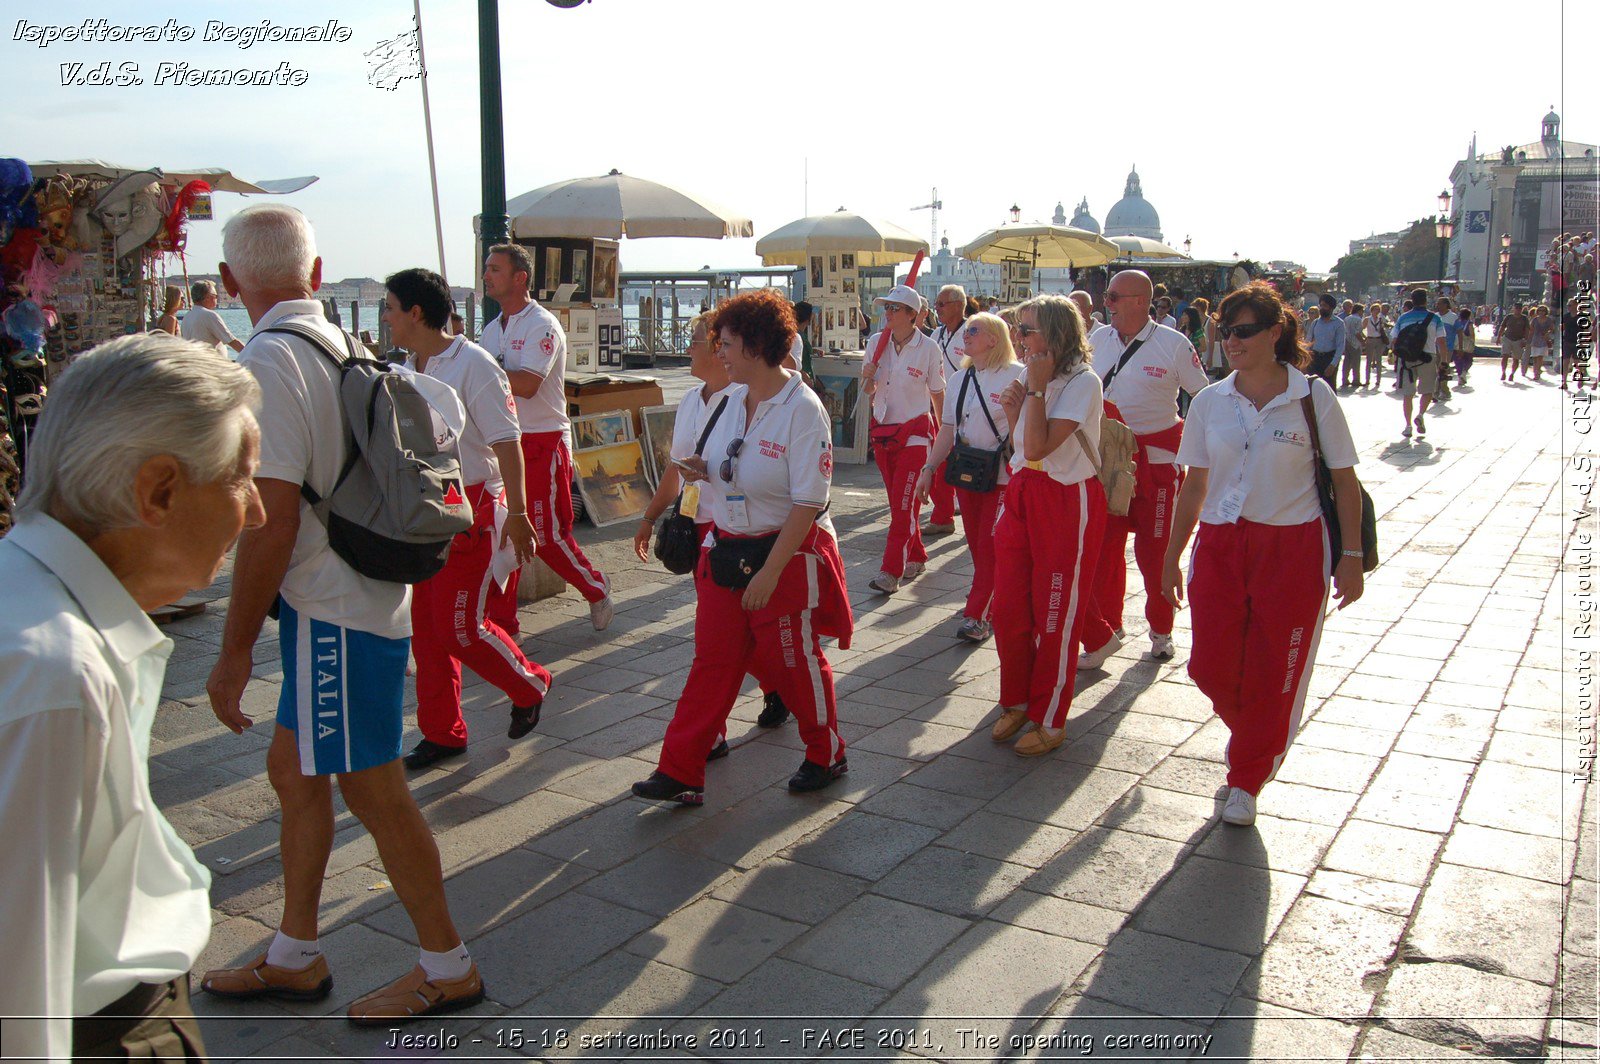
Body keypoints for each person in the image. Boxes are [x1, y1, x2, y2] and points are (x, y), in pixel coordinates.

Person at [199, 205, 482, 1024]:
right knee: (296, 773)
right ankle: (295, 952)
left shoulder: (267, 360)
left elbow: (272, 519)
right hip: (356, 595)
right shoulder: (342, 343)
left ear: (229, 285)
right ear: (317, 277)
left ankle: (447, 964)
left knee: (374, 787)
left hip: (332, 612)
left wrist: (232, 653)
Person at [0, 335, 262, 1062]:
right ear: (160, 492)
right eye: (242, 481)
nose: (257, 514)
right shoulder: (56, 674)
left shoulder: (34, 615)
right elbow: (17, 988)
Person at [631, 290, 851, 803]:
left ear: (754, 345)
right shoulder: (729, 399)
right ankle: (681, 769)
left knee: (793, 662)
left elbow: (807, 505)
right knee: (713, 660)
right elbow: (721, 465)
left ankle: (827, 750)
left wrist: (771, 574)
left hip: (783, 554)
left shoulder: (803, 410)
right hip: (724, 549)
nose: (719, 353)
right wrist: (699, 475)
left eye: (725, 343)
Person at [1160, 281, 1364, 827]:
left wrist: (1351, 554)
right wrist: (1170, 555)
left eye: (1245, 331)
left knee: (1279, 670)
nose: (1232, 341)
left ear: (1277, 332)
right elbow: (1194, 485)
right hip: (1223, 541)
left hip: (1293, 546)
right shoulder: (1208, 401)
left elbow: (1344, 481)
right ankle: (1255, 732)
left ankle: (1245, 779)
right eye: (1225, 331)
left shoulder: (1312, 397)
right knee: (1209, 665)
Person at [380, 268, 551, 770]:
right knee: (427, 632)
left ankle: (529, 683)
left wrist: (517, 514)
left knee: (460, 627)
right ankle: (443, 732)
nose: (385, 317)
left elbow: (507, 441)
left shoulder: (474, 365)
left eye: (390, 307)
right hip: (422, 508)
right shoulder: (405, 367)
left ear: (415, 313)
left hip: (470, 506)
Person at [632, 314, 791, 736]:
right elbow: (676, 467)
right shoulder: (689, 399)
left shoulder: (748, 400)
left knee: (720, 636)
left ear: (726, 347)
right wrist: (650, 516)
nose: (690, 348)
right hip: (695, 520)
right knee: (724, 630)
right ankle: (774, 688)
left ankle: (714, 730)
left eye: (699, 340)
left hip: (729, 528)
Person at [987, 294, 1106, 756]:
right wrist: (1021, 406)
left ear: (1057, 332)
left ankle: (1050, 716)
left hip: (1064, 498)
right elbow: (1022, 444)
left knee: (1055, 612)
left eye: (1029, 328)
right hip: (1022, 490)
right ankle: (1015, 700)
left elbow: (1038, 448)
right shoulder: (1031, 371)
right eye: (1019, 327)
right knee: (1010, 607)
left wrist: (1034, 392)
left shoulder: (1083, 382)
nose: (1019, 336)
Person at [1077, 269, 1209, 668]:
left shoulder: (1173, 344)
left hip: (1156, 464)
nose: (1107, 303)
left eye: (1114, 297)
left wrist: (1208, 453)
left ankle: (1161, 630)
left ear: (1139, 300)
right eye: (1108, 298)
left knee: (1155, 552)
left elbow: (1203, 397)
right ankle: (1108, 632)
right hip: (1108, 462)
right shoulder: (1097, 340)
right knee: (1104, 550)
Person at [479, 244, 614, 633]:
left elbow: (527, 385)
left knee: (547, 535)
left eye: (495, 269)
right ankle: (503, 623)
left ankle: (596, 587)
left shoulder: (542, 325)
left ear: (520, 278)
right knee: (504, 535)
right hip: (504, 442)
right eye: (486, 269)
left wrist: (482, 376)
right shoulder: (491, 331)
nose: (486, 275)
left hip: (542, 441)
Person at [914, 312, 1027, 644]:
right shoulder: (962, 378)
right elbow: (947, 429)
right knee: (979, 546)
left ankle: (978, 615)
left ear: (993, 338)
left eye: (972, 331)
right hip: (969, 473)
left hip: (1003, 476)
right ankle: (991, 601)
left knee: (990, 546)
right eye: (965, 331)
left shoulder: (1018, 375)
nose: (965, 336)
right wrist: (929, 469)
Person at [861, 283, 945, 594]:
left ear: (912, 315)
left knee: (903, 505)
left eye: (895, 308)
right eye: (886, 307)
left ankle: (890, 570)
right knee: (901, 504)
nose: (888, 313)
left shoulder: (928, 348)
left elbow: (937, 393)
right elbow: (870, 392)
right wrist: (868, 377)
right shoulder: (875, 343)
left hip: (915, 434)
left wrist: (945, 435)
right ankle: (918, 555)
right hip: (883, 432)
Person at [925, 284, 970, 536]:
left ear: (958, 305)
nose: (937, 309)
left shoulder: (972, 331)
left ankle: (956, 510)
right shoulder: (936, 335)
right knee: (937, 463)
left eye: (942, 304)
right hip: (938, 407)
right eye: (937, 303)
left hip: (966, 410)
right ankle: (942, 514)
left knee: (961, 465)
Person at [1391, 288, 1445, 439]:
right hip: (1428, 357)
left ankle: (1408, 426)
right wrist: (1444, 361)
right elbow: (1441, 341)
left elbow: (1394, 340)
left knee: (1408, 394)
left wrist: (1395, 358)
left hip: (1406, 358)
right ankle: (1420, 414)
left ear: (1412, 300)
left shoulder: (1403, 318)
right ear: (1426, 300)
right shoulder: (1435, 318)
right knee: (1427, 391)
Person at [180, 280, 245, 354]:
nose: (217, 298)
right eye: (215, 296)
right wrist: (252, 354)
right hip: (211, 363)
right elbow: (232, 341)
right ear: (207, 297)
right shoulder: (209, 315)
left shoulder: (187, 317)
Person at [1304, 294, 1344, 386]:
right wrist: (1305, 360)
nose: (1322, 308)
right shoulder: (1315, 322)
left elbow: (1340, 346)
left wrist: (1333, 365)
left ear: (1331, 308)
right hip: (1315, 359)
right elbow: (1308, 341)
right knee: (1312, 387)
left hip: (1329, 359)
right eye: (1321, 305)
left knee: (1329, 387)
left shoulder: (1339, 323)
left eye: (1325, 306)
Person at [1361, 302, 1389, 388]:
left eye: (1378, 310)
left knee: (1379, 360)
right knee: (1369, 361)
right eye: (1375, 309)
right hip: (1370, 339)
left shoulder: (1380, 319)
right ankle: (1367, 380)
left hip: (1379, 340)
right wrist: (1365, 338)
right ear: (1371, 310)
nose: (1377, 311)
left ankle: (1378, 381)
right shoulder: (1367, 319)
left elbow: (1383, 328)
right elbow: (1361, 329)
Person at [1500, 302, 1529, 382]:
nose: (1518, 310)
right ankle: (1503, 372)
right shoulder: (1509, 317)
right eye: (1516, 308)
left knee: (1516, 359)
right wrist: (1499, 337)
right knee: (1505, 356)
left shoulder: (1524, 318)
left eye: (1519, 309)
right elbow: (1502, 327)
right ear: (1513, 309)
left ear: (1522, 309)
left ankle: (1512, 373)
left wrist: (1525, 340)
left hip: (1518, 340)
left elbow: (1527, 330)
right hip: (1507, 338)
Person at [1340, 302, 1365, 389]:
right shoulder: (1358, 319)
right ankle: (1356, 380)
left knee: (1347, 361)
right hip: (1355, 343)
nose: (1363, 312)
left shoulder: (1347, 318)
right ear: (1359, 311)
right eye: (1362, 311)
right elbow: (1357, 333)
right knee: (1356, 362)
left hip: (1347, 341)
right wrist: (1363, 341)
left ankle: (1345, 379)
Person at [1528, 304, 1554, 380]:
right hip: (1535, 339)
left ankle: (1537, 373)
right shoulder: (1534, 320)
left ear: (1546, 312)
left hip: (1543, 339)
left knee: (1540, 357)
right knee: (1535, 357)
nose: (1541, 312)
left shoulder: (1548, 320)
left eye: (1543, 310)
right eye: (1540, 310)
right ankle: (1536, 370)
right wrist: (1528, 340)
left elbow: (1552, 328)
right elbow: (1531, 330)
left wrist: (1548, 333)